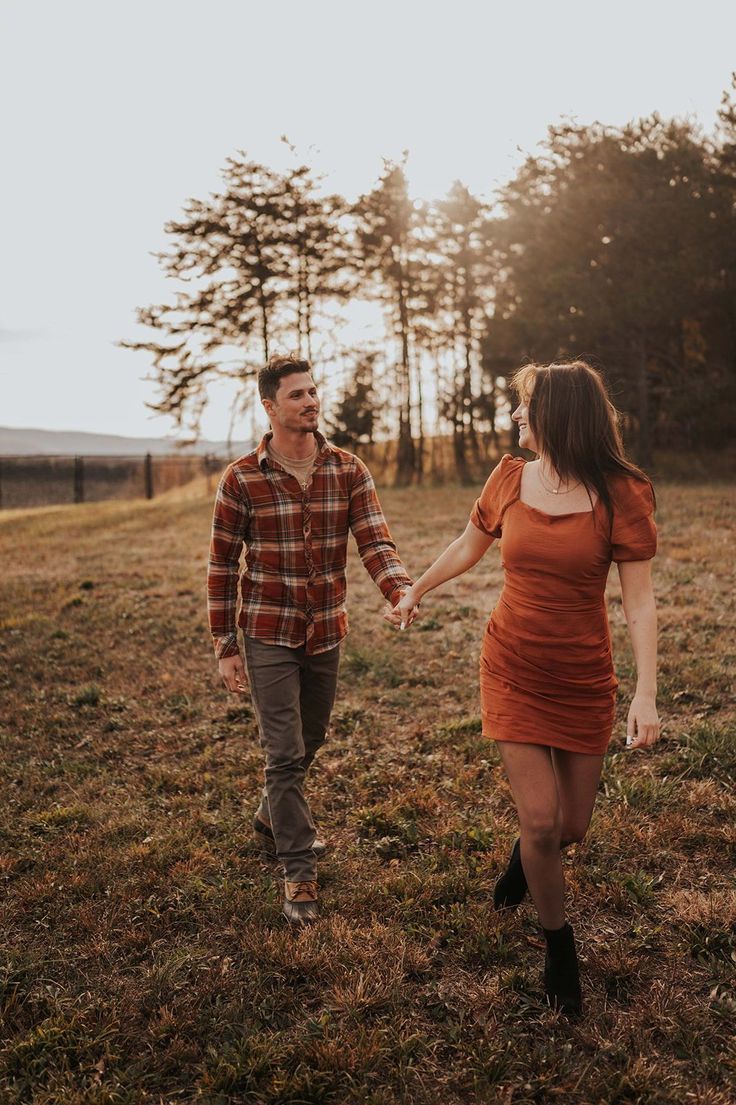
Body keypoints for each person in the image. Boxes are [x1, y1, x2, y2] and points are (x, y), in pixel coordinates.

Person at [388, 359, 659, 1015]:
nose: (514, 416)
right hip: (512, 661)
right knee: (540, 820)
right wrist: (416, 587)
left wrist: (646, 691)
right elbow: (469, 542)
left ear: (558, 415)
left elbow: (640, 603)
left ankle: (525, 859)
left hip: (583, 673)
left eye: (524, 405)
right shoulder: (511, 477)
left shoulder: (622, 491)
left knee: (570, 825)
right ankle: (559, 948)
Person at [207, 354, 412, 926]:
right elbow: (222, 567)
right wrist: (226, 646)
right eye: (296, 394)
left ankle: (274, 814)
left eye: (313, 391)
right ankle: (298, 871)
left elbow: (376, 542)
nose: (311, 401)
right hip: (268, 631)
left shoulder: (347, 469)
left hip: (326, 630)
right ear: (270, 407)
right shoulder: (242, 477)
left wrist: (398, 590)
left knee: (312, 735)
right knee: (284, 750)